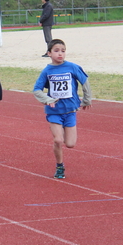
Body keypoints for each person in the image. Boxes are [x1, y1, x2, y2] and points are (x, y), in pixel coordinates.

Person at [33, 39, 92, 179]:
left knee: (70, 144)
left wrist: (86, 99)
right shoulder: (47, 71)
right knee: (58, 140)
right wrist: (47, 100)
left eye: (63, 51)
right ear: (49, 53)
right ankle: (59, 166)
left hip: (70, 110)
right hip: (54, 111)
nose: (60, 54)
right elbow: (36, 90)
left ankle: (62, 133)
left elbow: (85, 82)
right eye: (56, 51)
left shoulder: (72, 67)